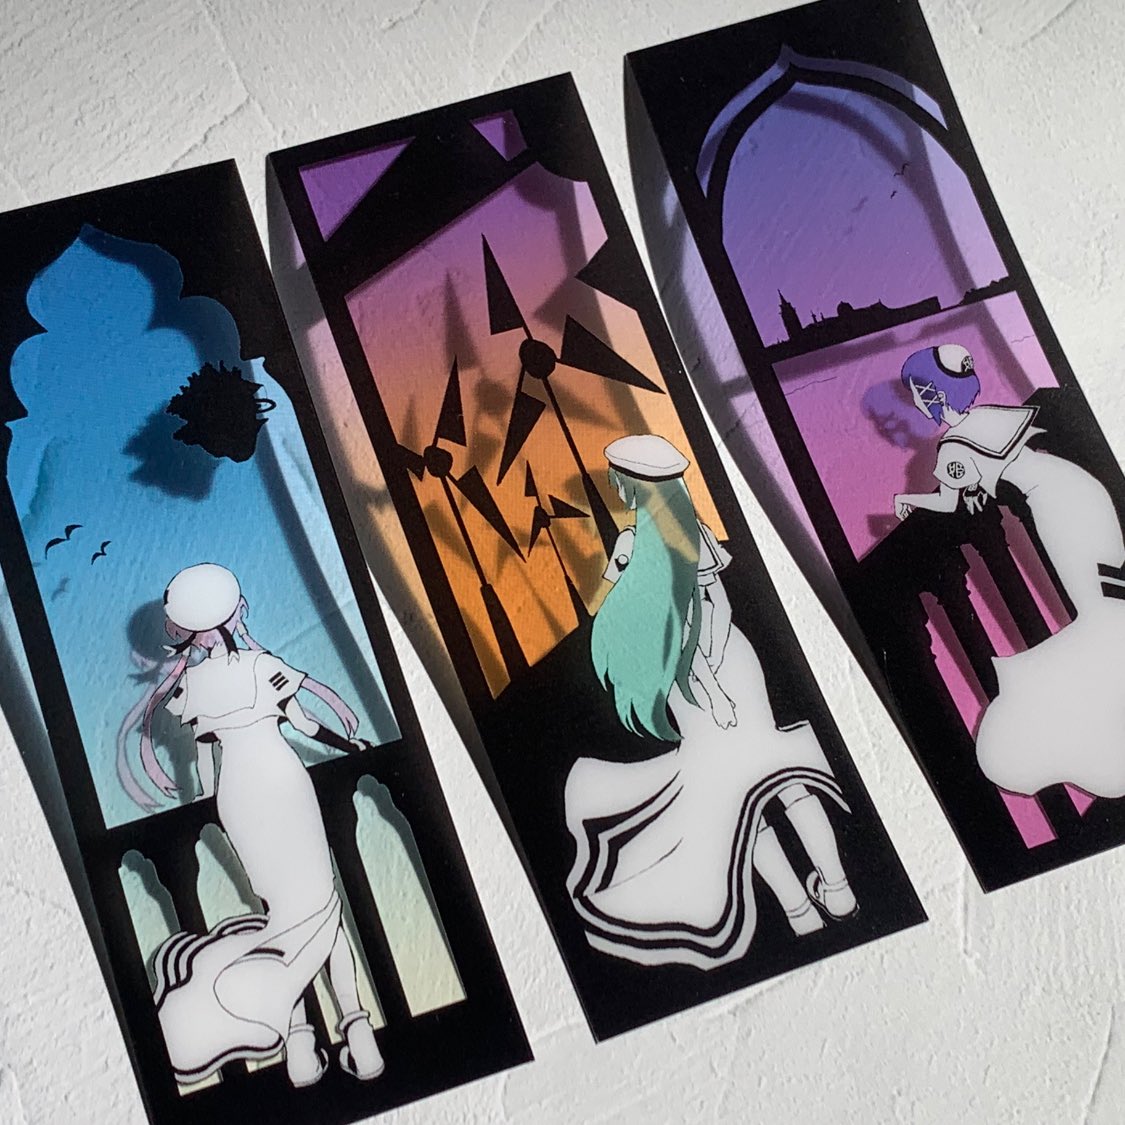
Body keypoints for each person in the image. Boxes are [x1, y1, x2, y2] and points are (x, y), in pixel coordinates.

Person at [563, 435, 856, 970]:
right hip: (715, 664)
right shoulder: (675, 534)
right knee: (771, 776)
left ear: (634, 483)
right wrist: (712, 662)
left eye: (618, 479)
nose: (615, 487)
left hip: (690, 676)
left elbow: (633, 614)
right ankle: (835, 892)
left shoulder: (642, 542)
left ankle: (801, 911)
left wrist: (703, 675)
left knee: (735, 793)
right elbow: (714, 604)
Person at [126, 563, 385, 1088]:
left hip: (237, 797)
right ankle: (358, 1032)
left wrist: (205, 803)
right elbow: (305, 724)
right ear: (232, 613)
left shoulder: (193, 684)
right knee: (322, 906)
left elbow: (203, 760)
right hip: (285, 780)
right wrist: (348, 745)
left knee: (281, 915)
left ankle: (299, 1045)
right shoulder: (263, 665)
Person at [893, 344, 1125, 796]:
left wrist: (906, 500)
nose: (916, 401)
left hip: (1054, 505)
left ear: (933, 392)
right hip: (1077, 487)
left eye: (918, 390)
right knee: (1105, 592)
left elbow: (947, 501)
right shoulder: (986, 418)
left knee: (1100, 604)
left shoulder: (954, 445)